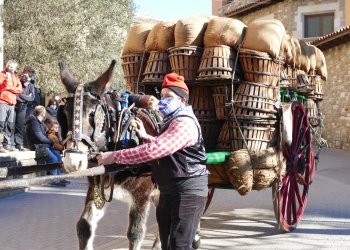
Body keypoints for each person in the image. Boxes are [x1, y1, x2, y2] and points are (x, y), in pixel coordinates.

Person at [97, 72, 208, 249]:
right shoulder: (171, 121)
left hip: (187, 192)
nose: (163, 100)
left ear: (182, 100)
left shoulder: (184, 123)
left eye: (169, 97)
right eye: (162, 96)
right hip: (169, 191)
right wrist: (146, 136)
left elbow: (155, 151)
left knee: (179, 245)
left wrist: (114, 156)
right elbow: (167, 146)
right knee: (166, 244)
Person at [26, 106, 66, 187]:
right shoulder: (34, 123)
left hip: (43, 145)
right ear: (42, 113)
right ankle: (53, 180)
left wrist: (50, 142)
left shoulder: (38, 122)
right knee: (54, 159)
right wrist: (51, 142)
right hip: (37, 146)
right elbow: (40, 137)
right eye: (45, 114)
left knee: (58, 157)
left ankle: (59, 178)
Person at [0, 60, 22, 153]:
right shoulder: (1, 74)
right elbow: (1, 87)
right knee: (1, 124)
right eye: (9, 66)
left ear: (15, 68)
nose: (10, 68)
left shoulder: (15, 77)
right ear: (7, 65)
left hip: (12, 103)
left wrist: (10, 88)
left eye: (12, 67)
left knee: (9, 125)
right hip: (3, 102)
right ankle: (0, 145)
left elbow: (19, 90)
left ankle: (7, 144)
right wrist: (6, 80)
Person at [14, 67, 36, 151]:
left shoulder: (31, 85)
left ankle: (19, 144)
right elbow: (15, 94)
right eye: (27, 76)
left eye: (30, 77)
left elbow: (32, 98)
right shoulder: (17, 81)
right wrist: (26, 97)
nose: (28, 79)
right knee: (11, 125)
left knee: (20, 126)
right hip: (14, 105)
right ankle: (10, 144)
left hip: (23, 108)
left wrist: (21, 96)